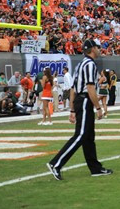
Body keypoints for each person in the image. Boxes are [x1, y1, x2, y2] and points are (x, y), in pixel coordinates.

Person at [47, 39, 113, 180]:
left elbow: (73, 89)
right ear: (91, 49)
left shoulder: (81, 64)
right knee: (81, 135)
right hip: (84, 100)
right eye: (97, 47)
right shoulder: (89, 64)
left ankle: (95, 168)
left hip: (80, 100)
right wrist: (98, 107)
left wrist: (72, 109)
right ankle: (56, 163)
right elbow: (89, 88)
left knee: (88, 137)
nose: (99, 49)